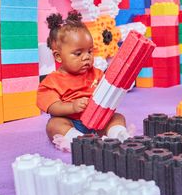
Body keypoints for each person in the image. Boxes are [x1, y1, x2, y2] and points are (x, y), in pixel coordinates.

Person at [37, 11, 132, 152]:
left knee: (117, 117)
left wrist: (116, 90)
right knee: (53, 125)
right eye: (78, 53)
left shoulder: (97, 74)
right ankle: (76, 139)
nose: (87, 57)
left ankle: (117, 134)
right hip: (71, 121)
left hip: (97, 120)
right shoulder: (52, 81)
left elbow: (107, 93)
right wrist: (72, 107)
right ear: (58, 57)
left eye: (90, 51)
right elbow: (52, 107)